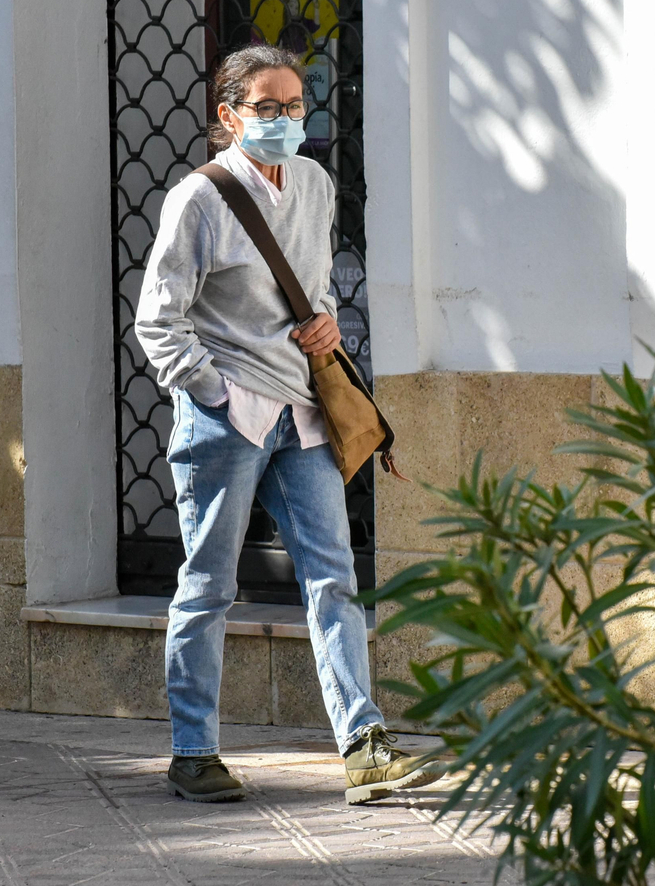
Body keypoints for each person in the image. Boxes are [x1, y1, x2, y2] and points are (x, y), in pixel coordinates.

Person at [134, 44, 443, 804]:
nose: (282, 120)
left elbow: (315, 287)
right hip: (227, 418)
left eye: (295, 106)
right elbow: (158, 323)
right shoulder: (199, 200)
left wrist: (329, 327)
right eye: (265, 108)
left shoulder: (312, 180)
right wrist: (213, 393)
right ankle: (193, 750)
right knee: (208, 585)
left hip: (304, 415)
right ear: (229, 115)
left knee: (333, 578)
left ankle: (364, 745)